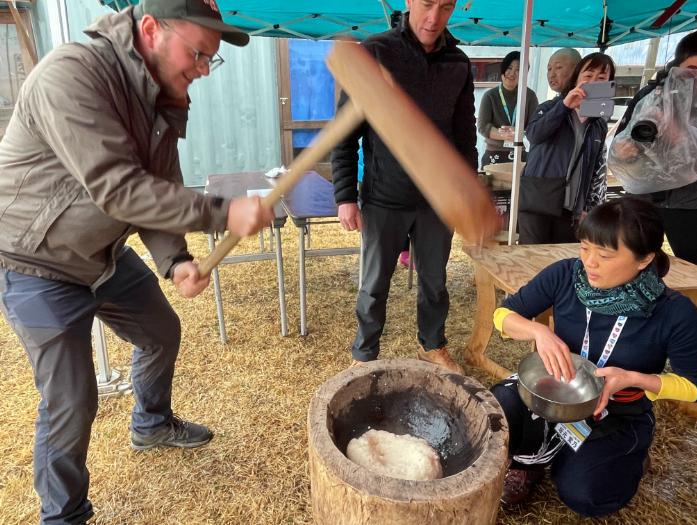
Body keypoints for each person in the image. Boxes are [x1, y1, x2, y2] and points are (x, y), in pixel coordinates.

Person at [0, 1, 273, 524]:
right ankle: (64, 515)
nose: (200, 70)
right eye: (197, 54)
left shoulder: (165, 95)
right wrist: (221, 213)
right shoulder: (73, 75)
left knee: (160, 329)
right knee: (71, 400)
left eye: (208, 60)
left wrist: (174, 259)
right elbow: (119, 189)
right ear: (150, 28)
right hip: (36, 261)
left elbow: (161, 185)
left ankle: (150, 422)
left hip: (101, 254)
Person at [490, 197, 697, 516]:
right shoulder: (566, 275)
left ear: (644, 259)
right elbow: (503, 314)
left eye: (604, 255)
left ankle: (618, 457)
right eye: (585, 248)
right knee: (496, 410)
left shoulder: (674, 312)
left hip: (616, 411)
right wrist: (539, 332)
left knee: (587, 494)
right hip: (553, 391)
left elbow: (695, 386)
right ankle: (532, 461)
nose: (590, 262)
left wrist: (634, 379)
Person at [331, 0, 477, 374]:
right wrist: (345, 195)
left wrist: (467, 191)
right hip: (384, 196)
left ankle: (432, 345)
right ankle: (364, 354)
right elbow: (344, 134)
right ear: (409, 1)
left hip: (437, 200)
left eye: (445, 7)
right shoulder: (376, 52)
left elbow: (465, 135)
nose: (434, 17)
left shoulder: (458, 64)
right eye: (426, 3)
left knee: (435, 282)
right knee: (374, 283)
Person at [610, 31, 697, 267]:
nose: (696, 78)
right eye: (692, 69)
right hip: (645, 198)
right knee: (632, 263)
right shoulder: (651, 96)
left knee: (691, 270)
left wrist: (679, 137)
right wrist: (625, 152)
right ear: (677, 66)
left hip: (691, 206)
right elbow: (628, 138)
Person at [517, 52, 615, 244]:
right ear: (576, 77)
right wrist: (564, 106)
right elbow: (534, 135)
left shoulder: (598, 124)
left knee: (562, 262)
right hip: (538, 201)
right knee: (533, 260)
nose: (594, 82)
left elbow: (596, 169)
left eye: (602, 78)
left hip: (572, 209)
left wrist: (588, 207)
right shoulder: (549, 107)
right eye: (588, 76)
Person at [478, 51, 539, 168]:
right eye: (509, 68)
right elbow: (483, 126)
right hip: (494, 154)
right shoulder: (490, 95)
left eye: (518, 70)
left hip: (521, 155)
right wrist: (505, 136)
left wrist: (518, 133)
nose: (512, 73)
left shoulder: (530, 96)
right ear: (503, 69)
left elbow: (535, 127)